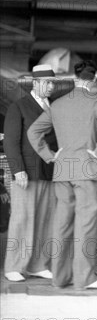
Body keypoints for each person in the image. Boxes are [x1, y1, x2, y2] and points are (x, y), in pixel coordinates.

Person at [28, 60, 97, 290]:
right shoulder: (96, 100)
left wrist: (50, 155)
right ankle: (84, 278)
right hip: (86, 169)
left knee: (62, 224)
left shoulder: (57, 104)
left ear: (75, 79)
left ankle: (60, 278)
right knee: (86, 224)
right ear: (93, 80)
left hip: (62, 169)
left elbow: (33, 131)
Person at [3, 64, 58, 282]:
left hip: (49, 173)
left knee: (45, 220)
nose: (51, 86)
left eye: (53, 82)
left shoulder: (54, 108)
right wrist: (18, 170)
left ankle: (38, 265)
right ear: (35, 83)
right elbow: (10, 142)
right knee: (22, 220)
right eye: (47, 82)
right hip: (26, 173)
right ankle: (13, 266)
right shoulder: (19, 107)